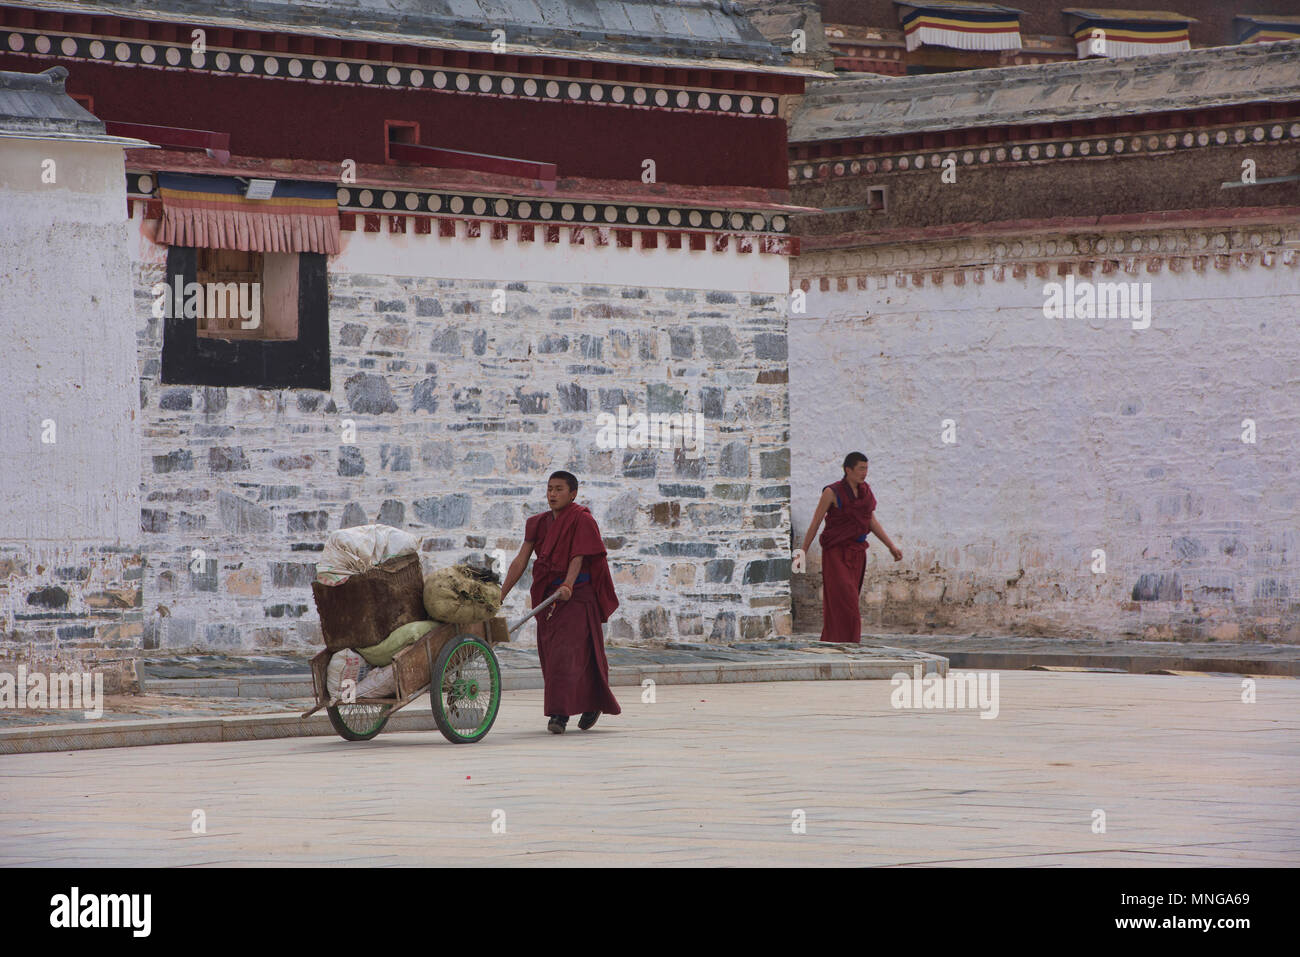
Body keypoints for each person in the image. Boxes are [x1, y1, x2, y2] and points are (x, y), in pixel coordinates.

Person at [500, 471, 622, 734]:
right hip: (549, 598)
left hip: (577, 595)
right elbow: (521, 560)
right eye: (549, 489)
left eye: (558, 489)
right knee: (553, 655)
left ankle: (561, 714)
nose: (552, 495)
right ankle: (584, 704)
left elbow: (578, 555)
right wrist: (500, 594)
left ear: (573, 493)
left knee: (572, 655)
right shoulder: (537, 523)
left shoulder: (582, 520)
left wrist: (568, 583)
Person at [799, 452, 903, 643]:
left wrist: (890, 546)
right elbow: (815, 523)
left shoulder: (865, 492)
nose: (865, 473)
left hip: (857, 553)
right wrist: (802, 551)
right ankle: (849, 643)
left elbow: (870, 520)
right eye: (861, 468)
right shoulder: (832, 492)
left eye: (866, 468)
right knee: (846, 601)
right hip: (836, 553)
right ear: (848, 470)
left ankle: (838, 643)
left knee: (848, 599)